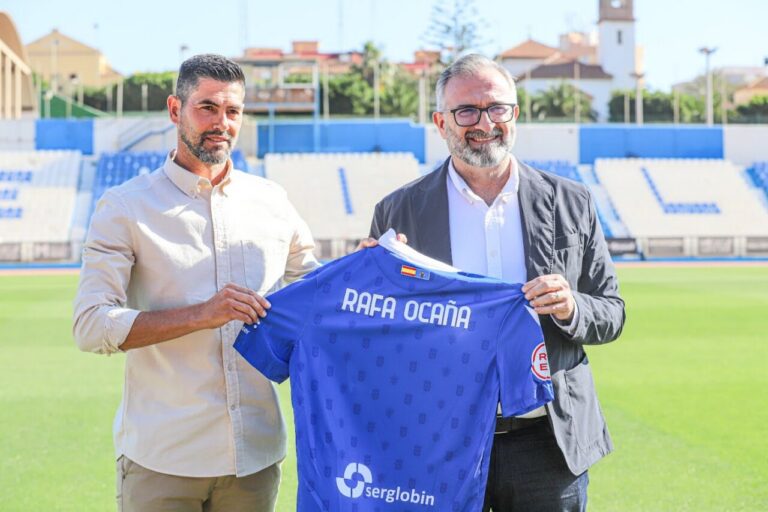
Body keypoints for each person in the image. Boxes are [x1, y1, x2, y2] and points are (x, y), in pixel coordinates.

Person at [369, 53, 626, 512]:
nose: (484, 122)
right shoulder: (398, 212)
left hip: (546, 444)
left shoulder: (572, 200)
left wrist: (571, 307)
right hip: (441, 441)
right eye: (466, 110)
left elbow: (612, 311)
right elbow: (378, 333)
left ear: (515, 115)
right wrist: (371, 287)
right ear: (439, 121)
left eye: (496, 108)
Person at [73, 54, 321, 512]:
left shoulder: (273, 201)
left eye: (232, 111)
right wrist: (202, 315)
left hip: (255, 460)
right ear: (175, 109)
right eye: (207, 107)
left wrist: (372, 266)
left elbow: (317, 293)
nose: (221, 123)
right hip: (163, 459)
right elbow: (90, 325)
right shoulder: (125, 207)